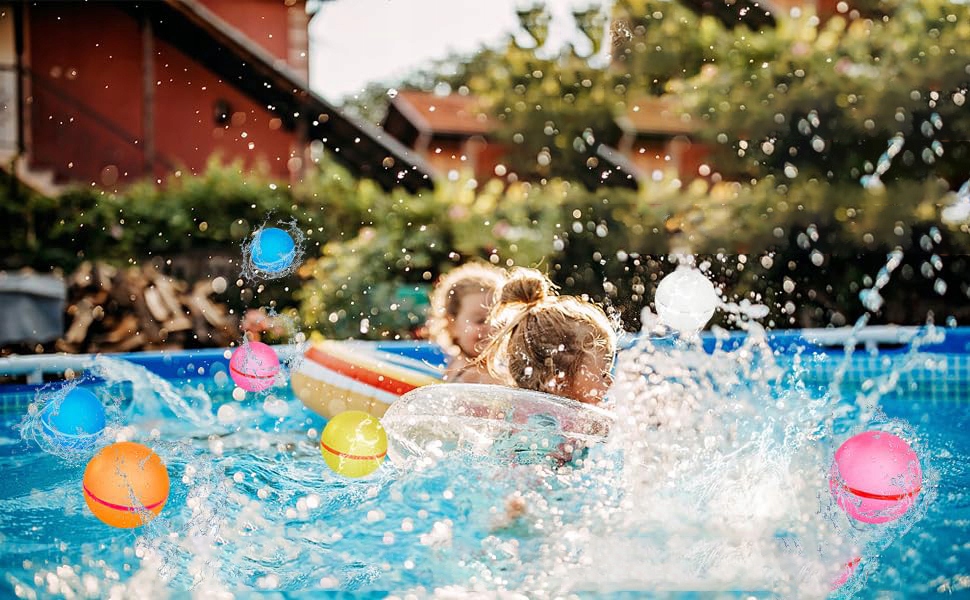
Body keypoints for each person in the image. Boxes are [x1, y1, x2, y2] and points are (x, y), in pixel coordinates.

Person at [478, 268, 617, 404]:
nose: (611, 381)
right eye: (603, 373)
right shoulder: (556, 418)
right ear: (558, 383)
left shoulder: (515, 408)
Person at [428, 262, 508, 384]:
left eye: (500, 320)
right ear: (452, 325)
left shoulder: (454, 365)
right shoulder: (477, 375)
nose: (492, 327)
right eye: (481, 321)